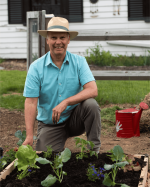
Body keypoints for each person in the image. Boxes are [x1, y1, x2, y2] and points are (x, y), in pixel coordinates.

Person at [23, 17, 101, 153]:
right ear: (47, 40)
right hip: (50, 124)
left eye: (62, 38)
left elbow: (93, 90)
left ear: (68, 39)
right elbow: (30, 102)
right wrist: (29, 136)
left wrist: (66, 102)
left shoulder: (79, 62)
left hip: (75, 119)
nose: (58, 42)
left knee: (91, 105)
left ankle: (94, 153)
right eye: (53, 37)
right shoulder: (36, 67)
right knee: (46, 162)